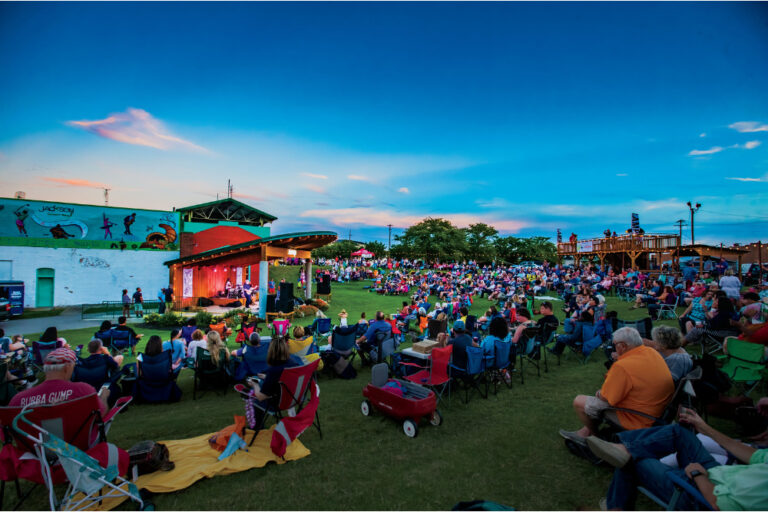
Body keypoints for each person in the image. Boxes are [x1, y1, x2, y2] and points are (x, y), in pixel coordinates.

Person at [587, 407, 768, 511]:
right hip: (719, 473)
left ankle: (616, 507)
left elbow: (718, 505)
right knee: (678, 432)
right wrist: (705, 428)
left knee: (634, 460)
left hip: (703, 494)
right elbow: (753, 455)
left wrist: (698, 475)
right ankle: (624, 448)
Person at [559, 327, 675, 446]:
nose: (613, 348)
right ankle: (584, 433)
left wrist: (599, 393)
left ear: (622, 346)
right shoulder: (651, 352)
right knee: (599, 401)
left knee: (580, 401)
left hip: (639, 419)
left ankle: (594, 439)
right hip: (657, 413)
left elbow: (606, 398)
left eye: (614, 345)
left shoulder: (623, 366)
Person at [9, 348, 108, 416]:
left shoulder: (18, 400)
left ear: (46, 368)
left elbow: (7, 429)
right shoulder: (83, 390)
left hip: (35, 441)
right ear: (67, 367)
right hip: (76, 440)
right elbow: (101, 412)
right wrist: (103, 396)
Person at [245, 335, 299, 425]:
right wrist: (266, 377)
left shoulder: (274, 370)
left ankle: (256, 427)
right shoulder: (293, 363)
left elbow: (261, 397)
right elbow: (283, 379)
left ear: (271, 351)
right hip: (294, 398)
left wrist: (254, 385)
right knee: (262, 382)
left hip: (278, 403)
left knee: (254, 399)